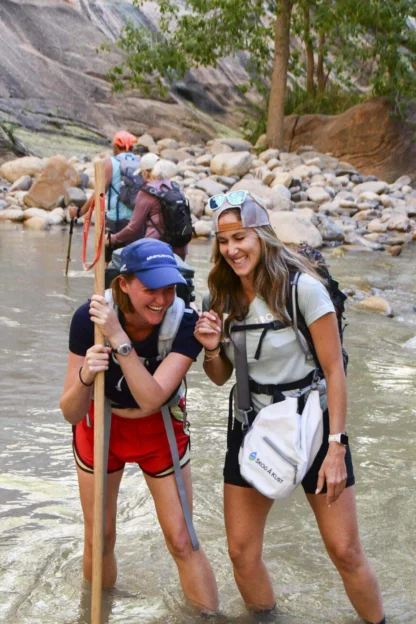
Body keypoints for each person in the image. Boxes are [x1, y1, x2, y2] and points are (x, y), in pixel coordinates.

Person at [194, 191, 385, 623]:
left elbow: (335, 372)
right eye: (224, 242)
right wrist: (210, 350)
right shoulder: (219, 298)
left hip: (315, 427)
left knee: (344, 550)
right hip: (252, 425)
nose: (232, 250)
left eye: (240, 237)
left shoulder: (304, 290)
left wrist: (337, 448)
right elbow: (222, 376)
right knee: (241, 553)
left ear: (261, 236)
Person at [60, 238, 218, 613]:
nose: (161, 299)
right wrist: (85, 375)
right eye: (150, 289)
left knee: (183, 539)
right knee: (100, 537)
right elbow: (69, 411)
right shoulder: (89, 319)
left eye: (169, 288)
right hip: (101, 427)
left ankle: (209, 618)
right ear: (124, 284)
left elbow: (152, 399)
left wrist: (120, 341)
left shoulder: (186, 323)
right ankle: (94, 614)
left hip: (158, 429)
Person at [105, 156, 188, 260]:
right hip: (180, 247)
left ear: (145, 172)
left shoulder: (147, 192)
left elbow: (133, 228)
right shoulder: (176, 188)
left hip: (155, 249)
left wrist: (113, 239)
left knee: (123, 265)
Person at [68, 130, 139, 236]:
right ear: (132, 147)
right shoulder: (141, 162)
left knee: (112, 252)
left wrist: (80, 212)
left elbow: (98, 194)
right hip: (137, 223)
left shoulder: (110, 163)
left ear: (115, 147)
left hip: (116, 222)